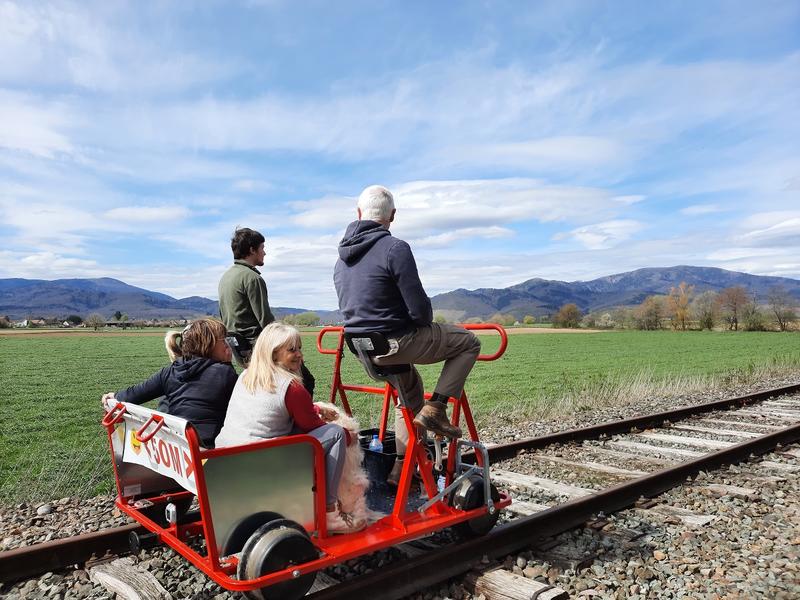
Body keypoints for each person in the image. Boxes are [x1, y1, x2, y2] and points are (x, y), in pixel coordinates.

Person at [333, 185, 481, 486]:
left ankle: (402, 468)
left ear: (359, 213)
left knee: (408, 395)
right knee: (468, 342)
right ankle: (437, 408)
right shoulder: (395, 248)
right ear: (393, 216)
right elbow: (420, 312)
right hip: (396, 341)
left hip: (364, 351)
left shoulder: (340, 260)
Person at [215, 323, 365, 535]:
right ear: (274, 353)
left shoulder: (247, 375)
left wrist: (314, 409)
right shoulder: (292, 386)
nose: (300, 355)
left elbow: (274, 410)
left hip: (226, 455)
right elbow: (316, 428)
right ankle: (329, 512)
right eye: (292, 350)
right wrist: (350, 436)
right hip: (259, 461)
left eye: (299, 348)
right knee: (337, 434)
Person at [101, 318, 237, 448]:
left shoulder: (171, 371)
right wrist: (228, 363)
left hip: (177, 445)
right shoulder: (224, 373)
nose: (228, 344)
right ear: (209, 345)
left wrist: (115, 396)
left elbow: (134, 394)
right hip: (208, 451)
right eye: (223, 340)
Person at [218, 227, 315, 396]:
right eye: (262, 248)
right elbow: (266, 322)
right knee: (306, 382)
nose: (265, 252)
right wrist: (290, 348)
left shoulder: (225, 277)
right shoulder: (252, 278)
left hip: (239, 349)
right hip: (257, 347)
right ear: (251, 250)